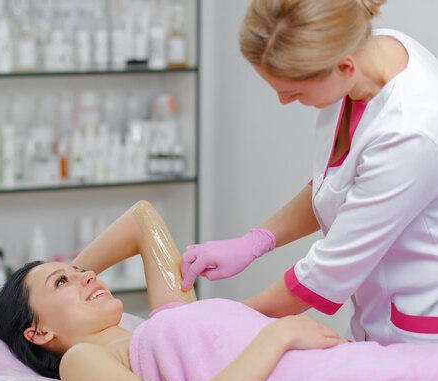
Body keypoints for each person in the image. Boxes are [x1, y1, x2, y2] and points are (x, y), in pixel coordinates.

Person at [0, 201, 438, 381]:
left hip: (360, 367)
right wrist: (276, 336)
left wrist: (74, 275)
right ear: (38, 333)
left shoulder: (169, 313)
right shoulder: (83, 361)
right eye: (61, 281)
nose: (86, 276)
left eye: (81, 272)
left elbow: (142, 218)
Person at [181, 0, 438, 344]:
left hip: (418, 336)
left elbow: (325, 273)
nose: (283, 102)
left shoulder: (410, 131)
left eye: (293, 91)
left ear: (344, 67)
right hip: (373, 319)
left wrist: (224, 321)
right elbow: (337, 186)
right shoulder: (368, 54)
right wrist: (255, 241)